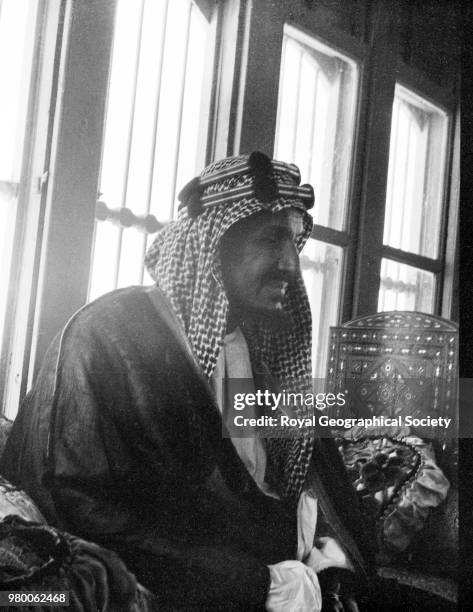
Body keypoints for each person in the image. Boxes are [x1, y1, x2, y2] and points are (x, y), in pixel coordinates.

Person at [1, 152, 372, 610]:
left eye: (296, 243)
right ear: (211, 246)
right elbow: (77, 505)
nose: (291, 266)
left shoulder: (266, 345)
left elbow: (307, 483)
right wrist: (257, 584)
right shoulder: (107, 337)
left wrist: (330, 566)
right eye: (271, 240)